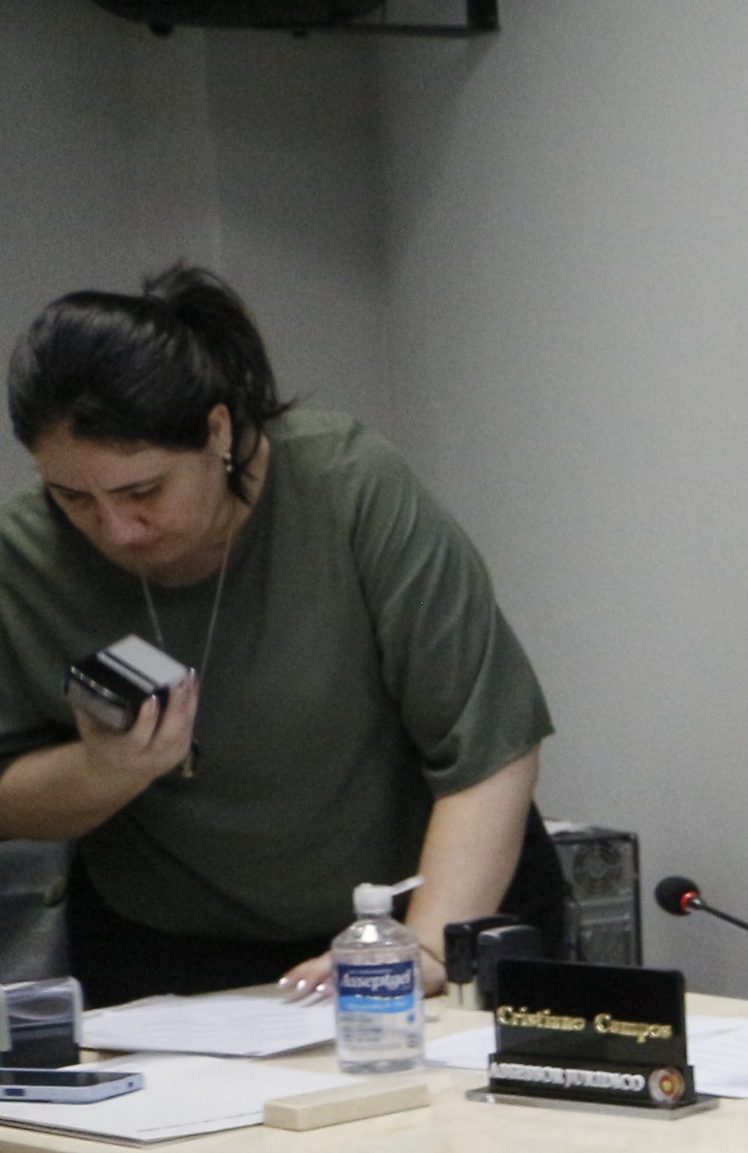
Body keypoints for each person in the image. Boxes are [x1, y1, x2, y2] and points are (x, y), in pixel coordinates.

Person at [0, 267, 557, 1008]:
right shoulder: (23, 558)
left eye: (144, 491)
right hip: (174, 958)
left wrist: (421, 952)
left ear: (218, 431)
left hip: (425, 913)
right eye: (72, 496)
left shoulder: (348, 487)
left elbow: (489, 742)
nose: (117, 528)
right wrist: (105, 769)